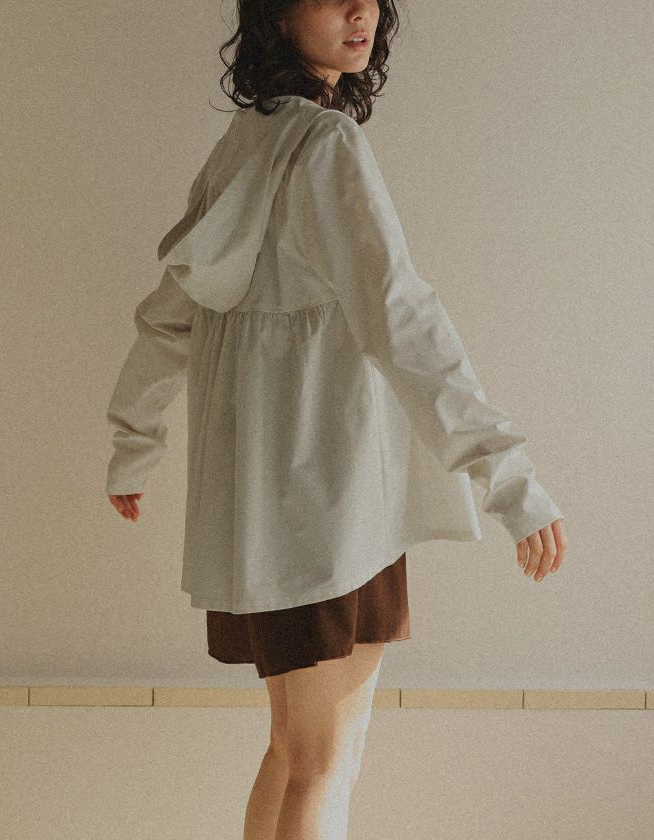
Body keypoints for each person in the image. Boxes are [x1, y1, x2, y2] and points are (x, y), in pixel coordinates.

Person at [105, 1, 569, 837]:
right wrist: (511, 479)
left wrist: (134, 442)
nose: (362, 11)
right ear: (278, 16)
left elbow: (170, 313)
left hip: (261, 514)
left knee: (293, 755)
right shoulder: (327, 145)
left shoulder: (245, 142)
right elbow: (404, 320)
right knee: (326, 764)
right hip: (340, 506)